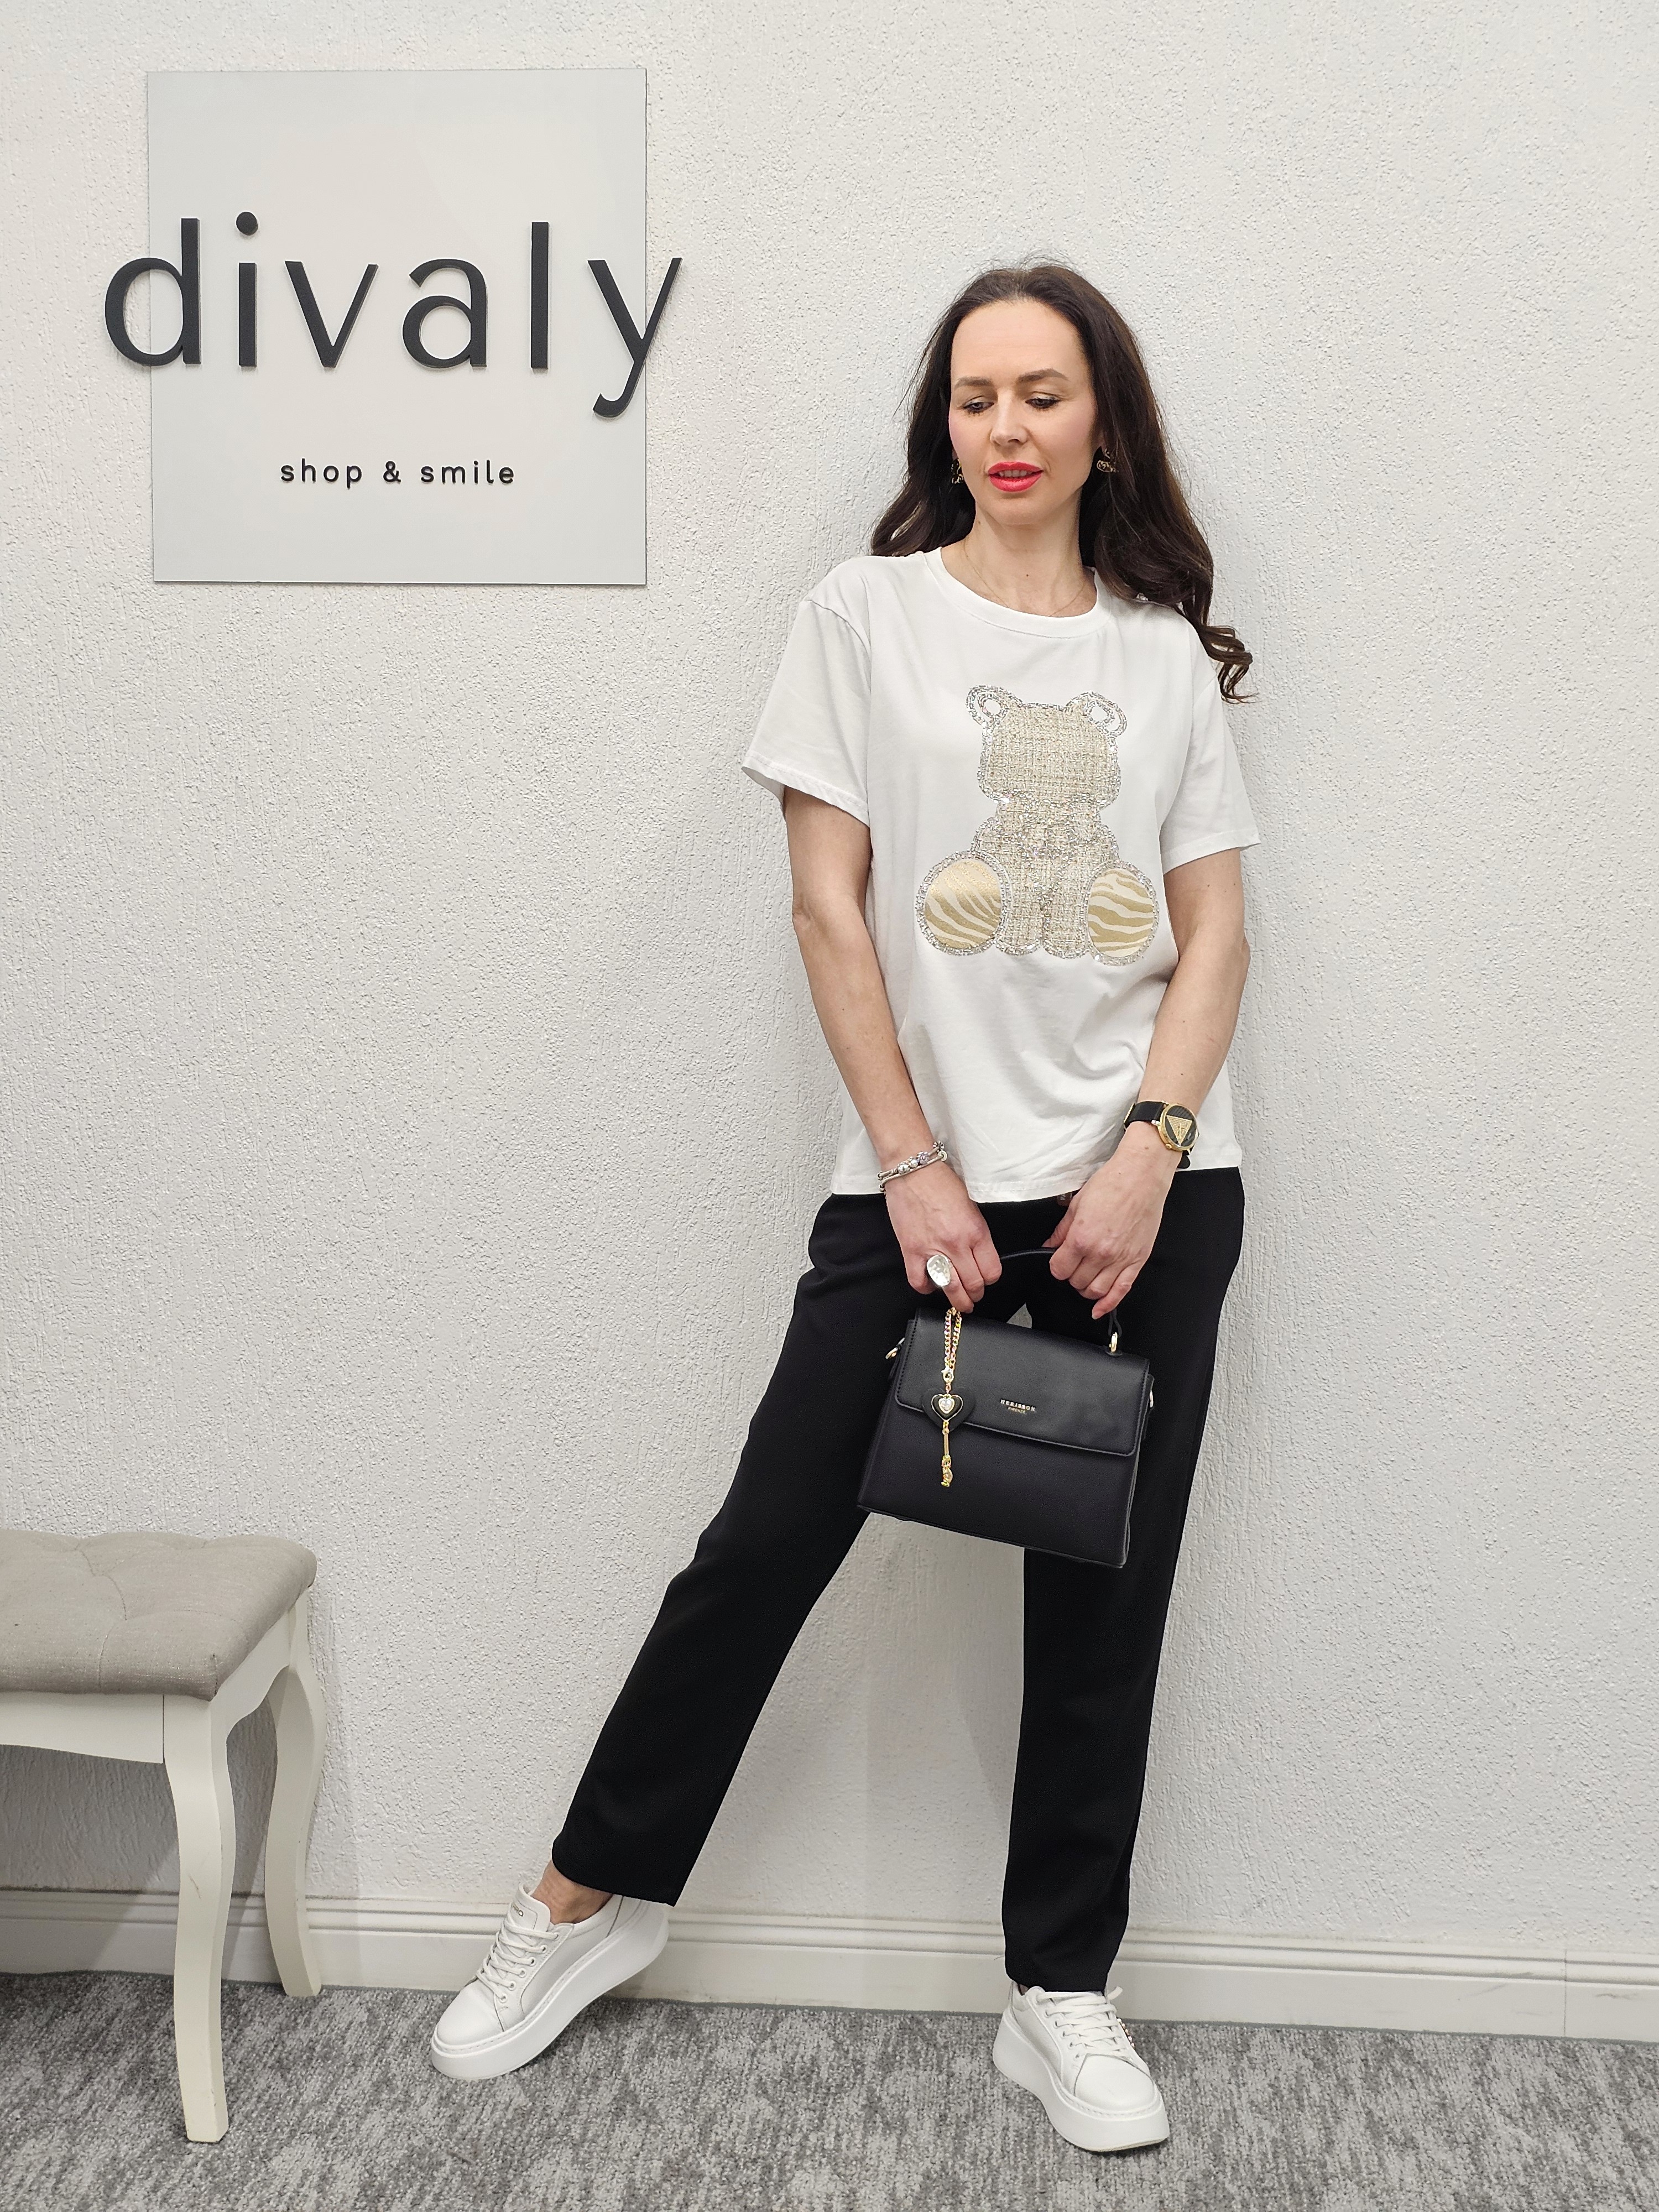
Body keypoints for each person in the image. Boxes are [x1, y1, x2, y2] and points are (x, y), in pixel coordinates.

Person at [430, 260, 1260, 2158]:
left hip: (1149, 1188)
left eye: (1044, 394)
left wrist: (1149, 1148)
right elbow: (828, 907)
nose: (1008, 428)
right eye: (976, 396)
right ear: (942, 425)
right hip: (917, 1185)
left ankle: (1061, 1994)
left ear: (1105, 422)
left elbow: (1214, 930)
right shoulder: (863, 616)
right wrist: (912, 1163)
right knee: (763, 1547)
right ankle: (586, 1899)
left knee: (1106, 1595)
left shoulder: (1161, 655)